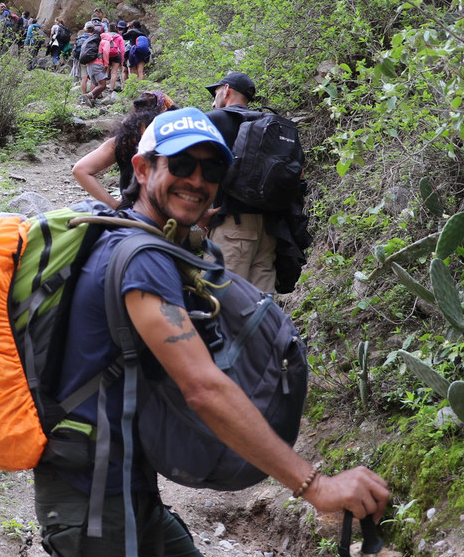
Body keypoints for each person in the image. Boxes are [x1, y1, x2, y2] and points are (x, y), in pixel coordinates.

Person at [35, 107, 390, 557]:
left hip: (124, 491)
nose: (197, 180)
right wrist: (314, 485)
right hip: (94, 508)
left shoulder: (129, 239)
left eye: (212, 169)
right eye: (181, 165)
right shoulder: (143, 260)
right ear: (142, 169)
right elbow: (203, 387)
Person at [204, 71, 303, 292]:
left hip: (232, 227)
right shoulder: (270, 125)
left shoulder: (214, 120)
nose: (213, 99)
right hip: (270, 232)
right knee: (260, 308)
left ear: (227, 90)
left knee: (219, 301)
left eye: (216, 92)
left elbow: (197, 169)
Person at [71, 91, 176, 209]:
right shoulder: (174, 140)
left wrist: (115, 205)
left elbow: (80, 170)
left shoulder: (124, 141)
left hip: (130, 215)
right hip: (168, 213)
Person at [80, 25, 108, 107]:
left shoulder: (91, 40)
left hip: (89, 64)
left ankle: (90, 101)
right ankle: (88, 96)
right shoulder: (103, 42)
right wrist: (106, 65)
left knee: (96, 84)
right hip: (97, 64)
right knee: (103, 85)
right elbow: (105, 53)